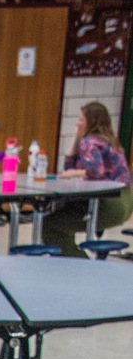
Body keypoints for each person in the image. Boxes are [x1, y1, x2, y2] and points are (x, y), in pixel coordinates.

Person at [42, 101, 133, 258]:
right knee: (64, 217)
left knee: (50, 224)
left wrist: (73, 174)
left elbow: (95, 172)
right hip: (126, 201)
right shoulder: (109, 140)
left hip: (108, 204)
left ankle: (78, 263)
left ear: (91, 122)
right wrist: (76, 137)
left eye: (81, 120)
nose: (78, 123)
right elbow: (70, 166)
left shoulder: (89, 142)